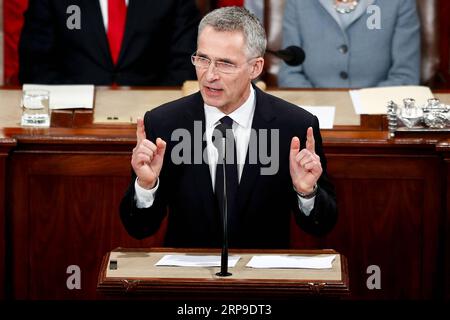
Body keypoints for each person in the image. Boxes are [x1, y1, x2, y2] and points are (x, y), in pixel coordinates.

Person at [120, 7, 337, 249]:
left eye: (225, 64)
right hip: (189, 279)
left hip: (263, 281)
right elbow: (139, 229)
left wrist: (306, 193)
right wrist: (146, 187)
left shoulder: (295, 127)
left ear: (255, 68)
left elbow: (321, 226)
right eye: (202, 59)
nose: (209, 75)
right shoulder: (164, 124)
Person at [18, 0, 200, 86]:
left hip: (152, 120)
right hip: (70, 120)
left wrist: (157, 113)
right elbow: (35, 65)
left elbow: (185, 65)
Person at [278, 0, 421, 88]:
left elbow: (406, 75)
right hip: (313, 111)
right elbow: (290, 74)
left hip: (375, 115)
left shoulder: (401, 2)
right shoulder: (297, 2)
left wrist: (365, 105)